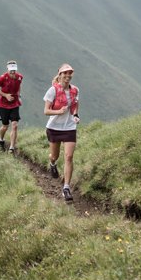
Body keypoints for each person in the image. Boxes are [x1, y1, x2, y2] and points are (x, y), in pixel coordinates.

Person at [43, 64, 80, 202]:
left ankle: (66, 188)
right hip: (54, 128)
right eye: (65, 73)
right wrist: (59, 111)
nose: (67, 76)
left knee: (69, 157)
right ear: (59, 75)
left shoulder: (75, 90)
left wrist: (76, 115)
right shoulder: (53, 90)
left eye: (70, 73)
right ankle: (52, 163)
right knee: (55, 156)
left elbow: (76, 103)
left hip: (69, 127)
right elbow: (46, 111)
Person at [0, 61, 23, 154]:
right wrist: (5, 95)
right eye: (11, 70)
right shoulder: (2, 78)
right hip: (4, 105)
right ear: (7, 69)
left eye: (14, 70)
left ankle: (12, 148)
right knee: (5, 127)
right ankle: (1, 139)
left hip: (15, 104)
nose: (13, 72)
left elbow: (18, 86)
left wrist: (19, 96)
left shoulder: (19, 77)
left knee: (15, 125)